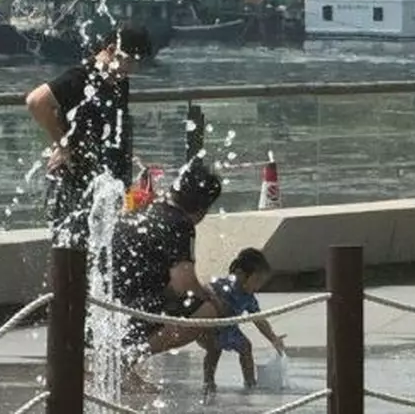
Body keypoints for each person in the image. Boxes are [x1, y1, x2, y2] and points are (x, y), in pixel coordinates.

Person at [25, 25, 154, 247]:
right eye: (130, 60)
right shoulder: (81, 77)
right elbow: (36, 101)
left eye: (137, 63)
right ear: (111, 49)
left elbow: (112, 127)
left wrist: (132, 161)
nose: (133, 68)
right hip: (75, 180)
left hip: (107, 182)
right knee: (71, 249)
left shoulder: (119, 81)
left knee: (106, 250)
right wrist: (63, 145)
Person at [110, 159, 225, 392]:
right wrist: (210, 297)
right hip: (133, 309)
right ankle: (123, 363)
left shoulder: (146, 209)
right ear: (202, 209)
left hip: (108, 308)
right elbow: (184, 284)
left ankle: (118, 361)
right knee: (208, 311)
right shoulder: (179, 223)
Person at [200, 248, 287, 393]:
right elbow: (205, 287)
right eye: (256, 281)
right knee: (214, 349)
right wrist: (215, 300)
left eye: (261, 283)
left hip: (230, 330)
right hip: (209, 328)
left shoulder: (248, 298)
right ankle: (208, 382)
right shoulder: (224, 286)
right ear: (240, 274)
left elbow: (258, 319)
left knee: (246, 347)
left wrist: (273, 338)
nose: (258, 287)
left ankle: (250, 382)